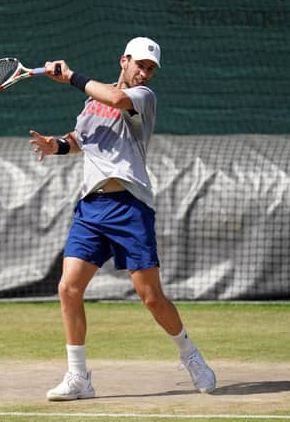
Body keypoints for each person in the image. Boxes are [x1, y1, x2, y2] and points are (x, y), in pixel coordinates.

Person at [29, 37, 216, 401]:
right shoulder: (91, 101)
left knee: (151, 298)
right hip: (91, 208)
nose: (144, 73)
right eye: (140, 65)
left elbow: (116, 100)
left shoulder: (143, 97)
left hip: (130, 207)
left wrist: (70, 76)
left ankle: (190, 355)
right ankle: (78, 377)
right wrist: (57, 145)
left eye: (150, 69)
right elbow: (81, 139)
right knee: (68, 289)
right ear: (124, 61)